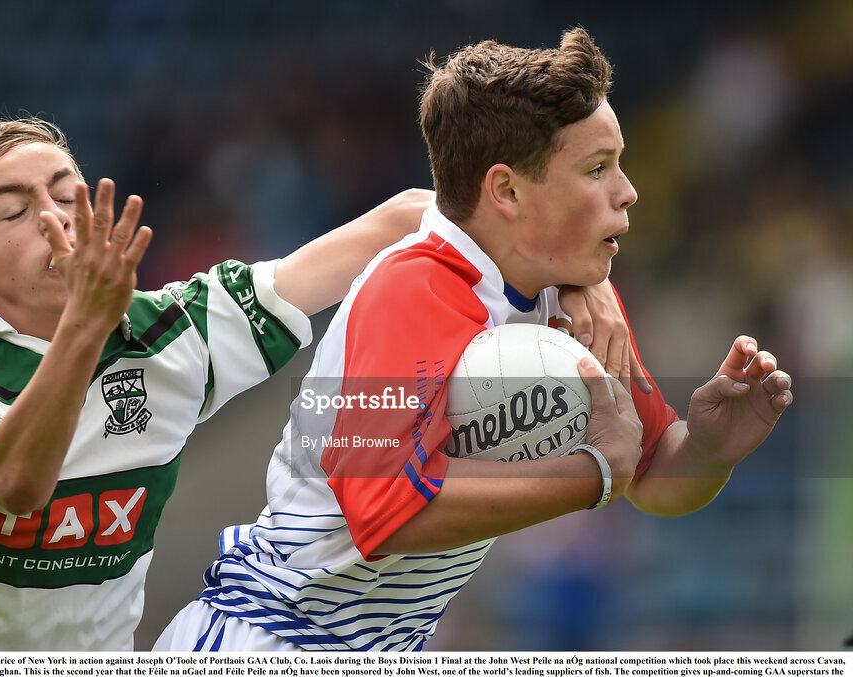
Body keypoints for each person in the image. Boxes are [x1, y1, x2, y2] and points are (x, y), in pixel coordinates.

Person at [0, 114, 629, 651]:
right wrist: (88, 323)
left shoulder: (173, 332)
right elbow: (16, 483)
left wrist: (569, 267)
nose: (55, 219)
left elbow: (411, 216)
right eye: (15, 212)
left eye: (65, 192)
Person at [155, 28, 794, 652]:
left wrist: (709, 450)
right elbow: (383, 509)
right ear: (507, 190)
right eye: (597, 169)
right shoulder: (412, 290)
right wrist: (590, 475)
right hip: (264, 640)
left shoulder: (565, 296)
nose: (627, 192)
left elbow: (653, 474)